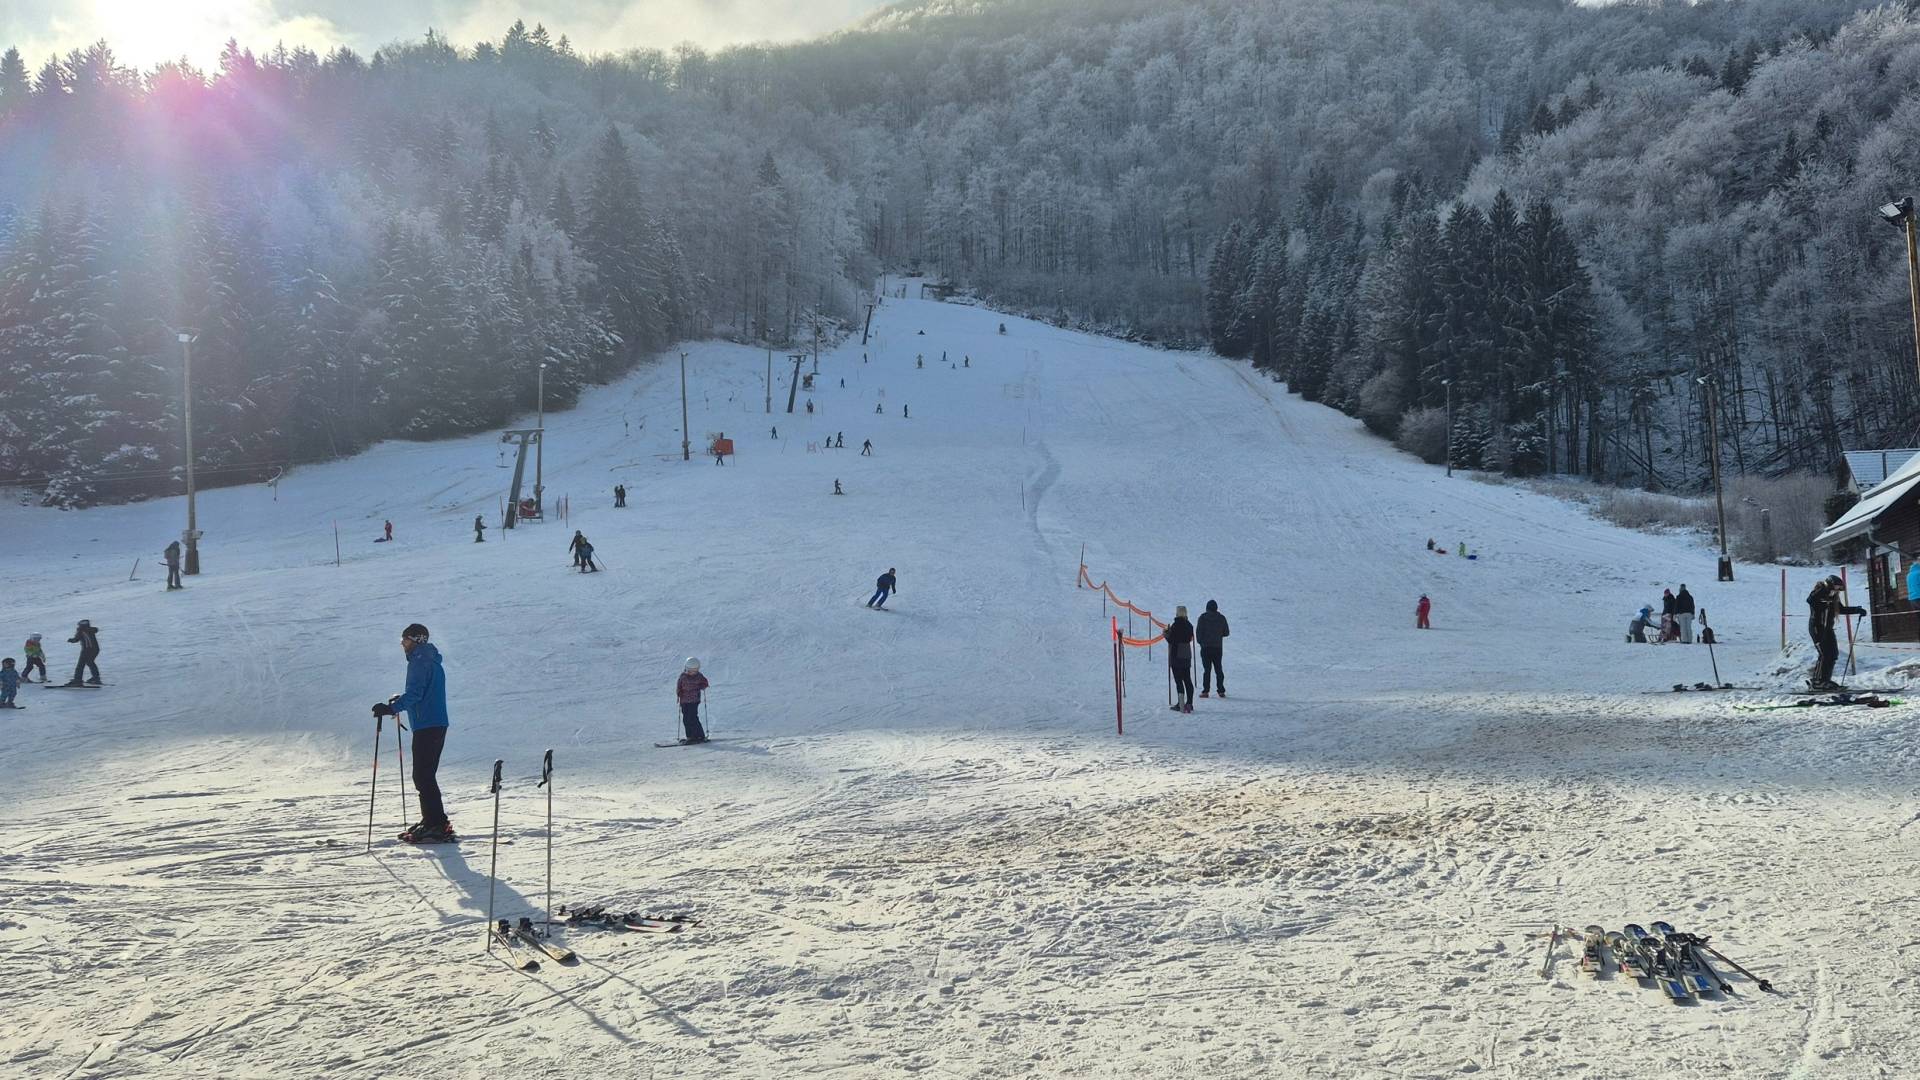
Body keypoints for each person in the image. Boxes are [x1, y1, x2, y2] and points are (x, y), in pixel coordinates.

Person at [373, 624, 453, 843]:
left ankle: (436, 824)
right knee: (426, 774)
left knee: (423, 775)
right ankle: (433, 821)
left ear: (416, 640)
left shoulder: (419, 661)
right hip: (435, 722)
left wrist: (391, 708)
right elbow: (421, 693)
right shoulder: (431, 661)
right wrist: (400, 703)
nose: (402, 644)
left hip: (428, 724)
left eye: (405, 640)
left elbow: (416, 694)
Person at [1807, 575, 1866, 691]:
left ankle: (1825, 680)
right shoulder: (1818, 593)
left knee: (1833, 654)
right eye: (1836, 588)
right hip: (1817, 629)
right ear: (1830, 585)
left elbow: (1841, 609)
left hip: (1828, 629)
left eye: (1839, 589)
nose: (1837, 591)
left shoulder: (1833, 597)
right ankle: (1817, 681)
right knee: (1824, 654)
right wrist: (1825, 591)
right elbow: (1810, 600)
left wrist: (1857, 610)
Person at [1164, 606, 1196, 713]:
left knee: (1178, 680)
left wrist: (1166, 634)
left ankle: (1181, 704)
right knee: (1187, 679)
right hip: (1186, 654)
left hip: (1176, 654)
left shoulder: (1175, 625)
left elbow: (1171, 640)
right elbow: (1190, 638)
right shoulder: (1189, 625)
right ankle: (1190, 703)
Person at [1196, 600, 1229, 698]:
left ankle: (1206, 691)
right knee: (1218, 669)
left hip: (1205, 648)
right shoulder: (1222, 618)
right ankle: (1221, 690)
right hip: (1217, 648)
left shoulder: (1202, 618)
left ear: (1207, 608)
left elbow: (1198, 633)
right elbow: (1226, 632)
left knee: (1207, 670)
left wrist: (1201, 642)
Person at [676, 658, 710, 743]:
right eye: (691, 671)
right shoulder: (683, 676)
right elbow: (679, 686)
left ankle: (699, 736)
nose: (692, 673)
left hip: (694, 701)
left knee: (693, 718)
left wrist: (703, 686)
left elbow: (705, 682)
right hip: (684, 701)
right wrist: (679, 693)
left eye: (695, 671)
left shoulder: (699, 676)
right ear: (687, 669)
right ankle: (690, 736)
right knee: (686, 719)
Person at [64, 619, 101, 686]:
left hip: (87, 649)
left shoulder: (81, 630)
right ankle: (96, 678)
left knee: (80, 664)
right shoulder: (90, 630)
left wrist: (71, 640)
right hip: (95, 649)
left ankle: (77, 680)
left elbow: (76, 639)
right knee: (90, 662)